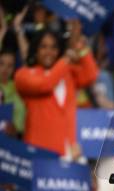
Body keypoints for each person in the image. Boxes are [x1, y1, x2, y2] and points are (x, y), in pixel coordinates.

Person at [14, 21, 98, 155]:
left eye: (54, 47)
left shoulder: (66, 72)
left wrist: (80, 47)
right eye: (43, 47)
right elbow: (45, 85)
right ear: (35, 50)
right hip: (37, 152)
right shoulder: (23, 74)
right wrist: (66, 59)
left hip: (67, 151)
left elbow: (91, 75)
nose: (49, 52)